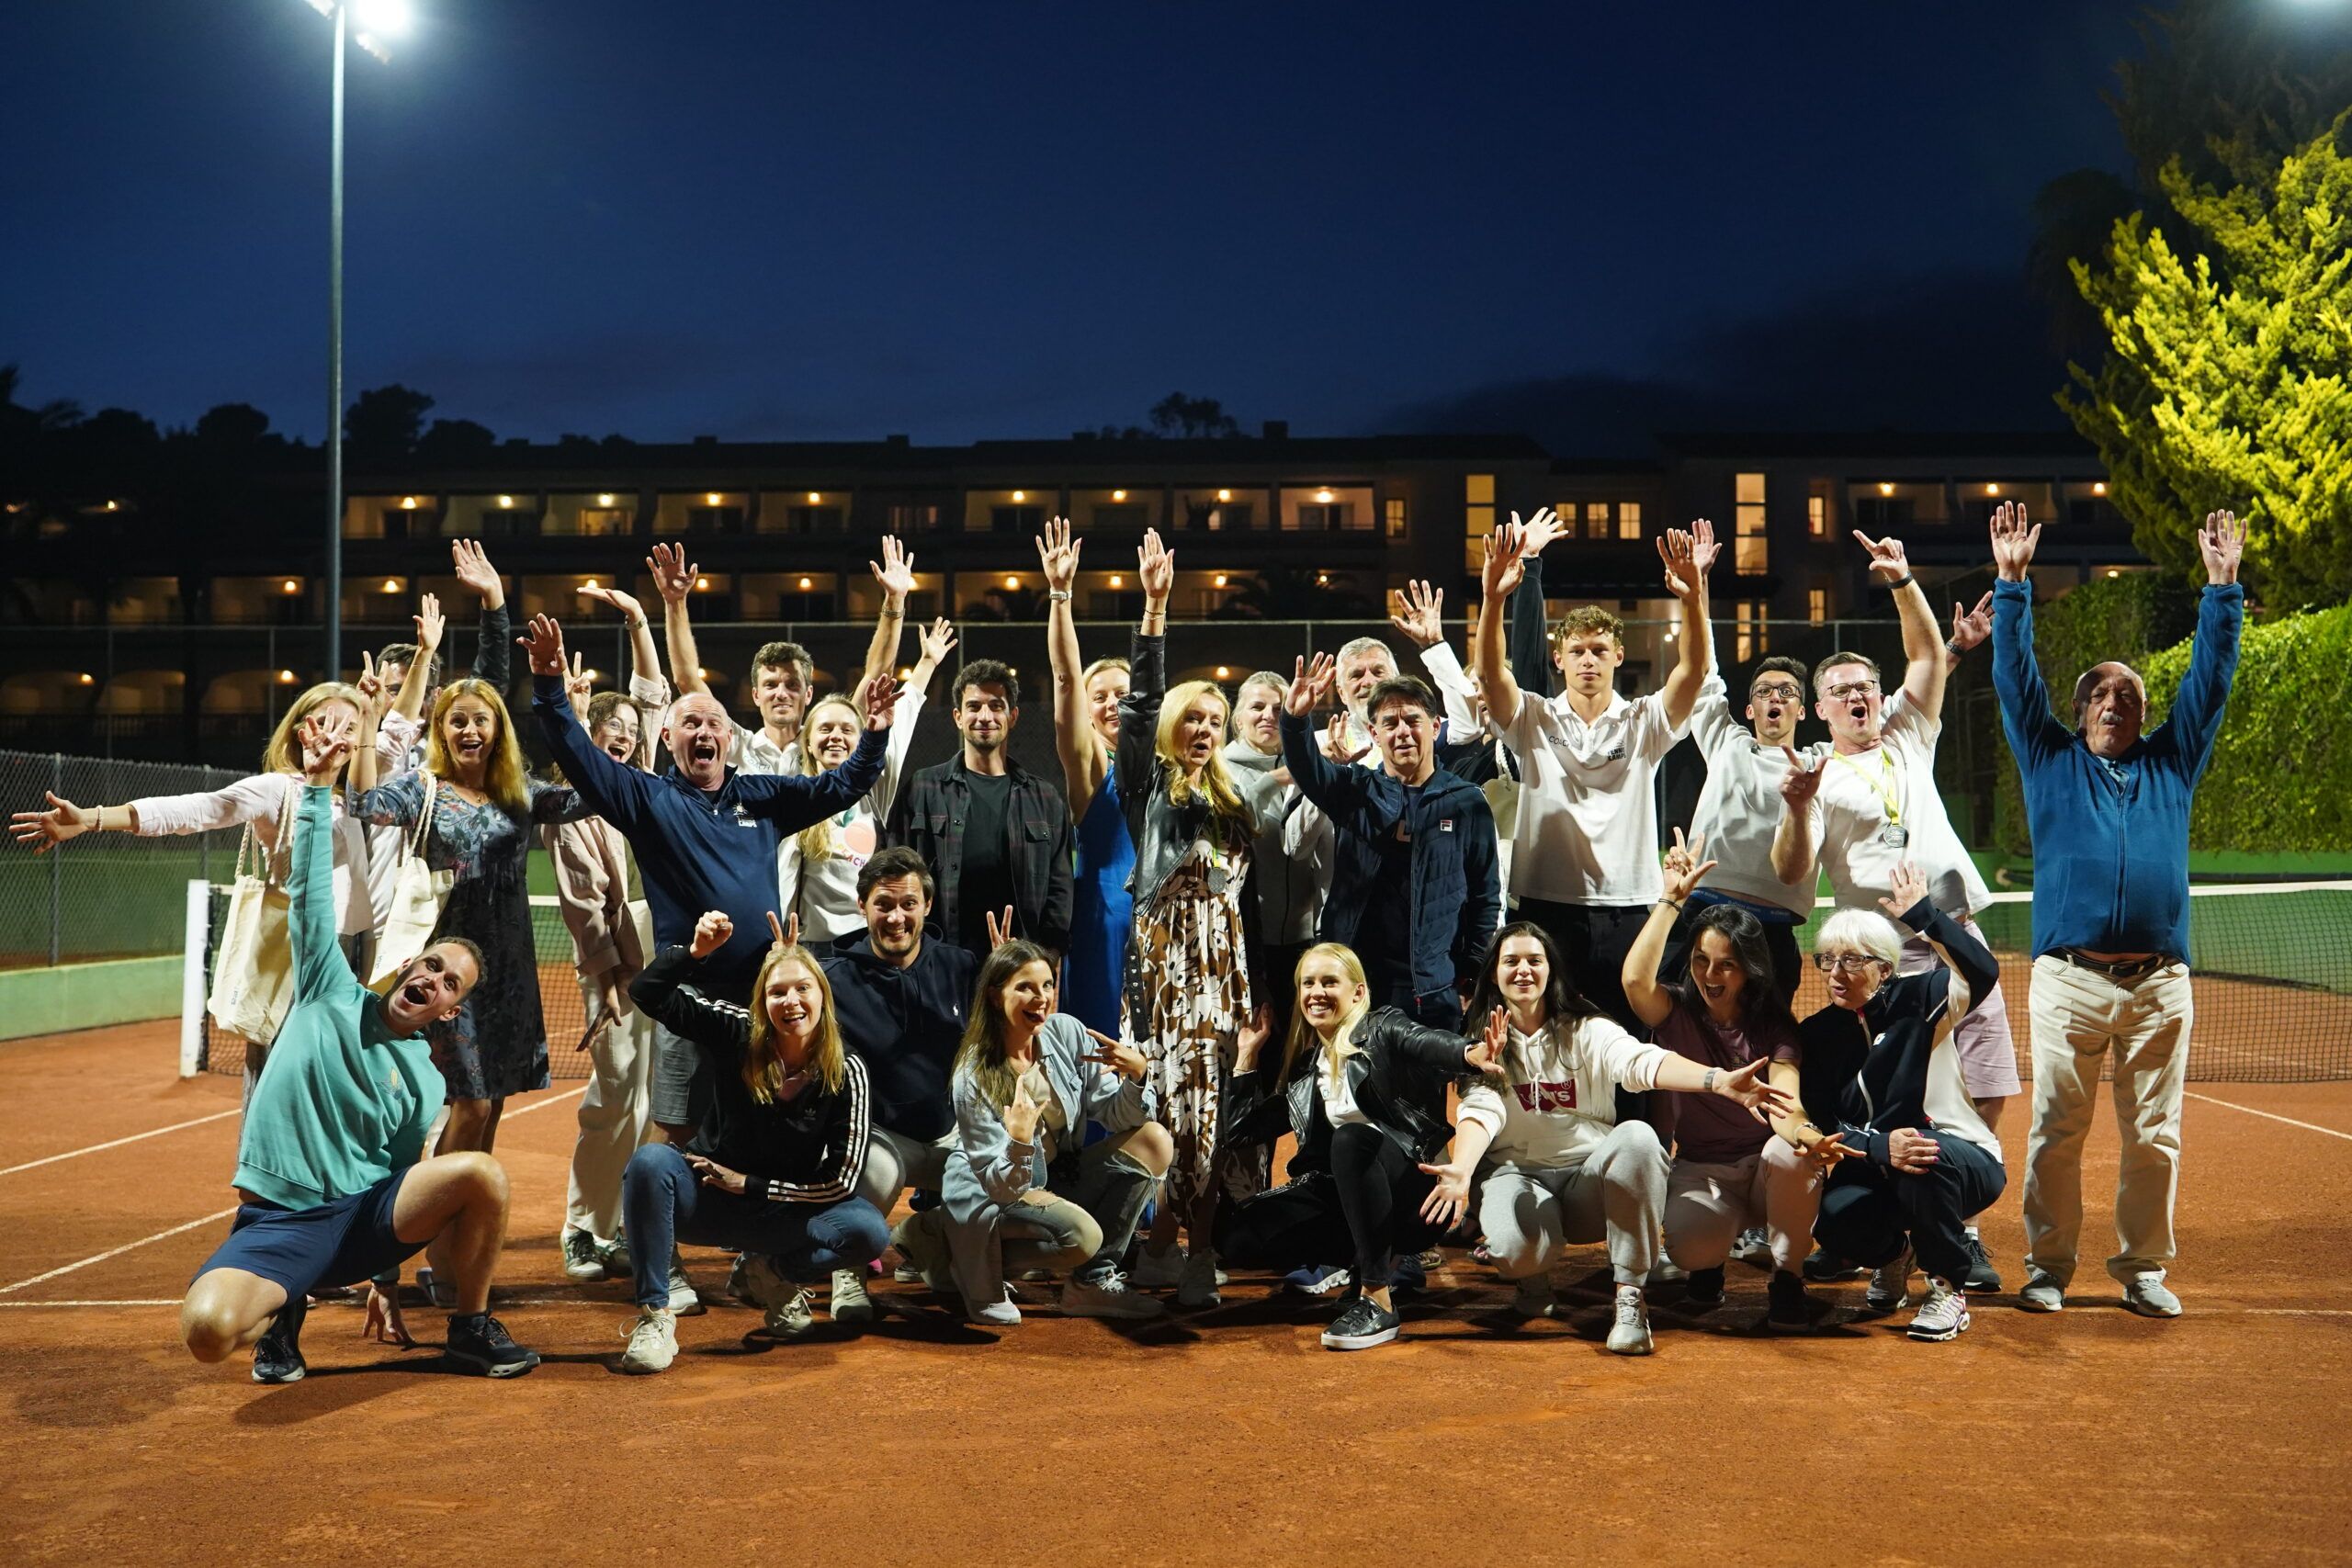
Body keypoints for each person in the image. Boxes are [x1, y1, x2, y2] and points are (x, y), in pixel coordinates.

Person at [177, 717, 535, 1382]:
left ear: (448, 1010)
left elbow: (395, 1179)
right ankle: (282, 1310)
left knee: (480, 1172)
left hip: (360, 1222)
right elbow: (312, 893)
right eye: (431, 965)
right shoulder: (328, 989)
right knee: (208, 1332)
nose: (433, 979)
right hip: (282, 1223)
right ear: (410, 966)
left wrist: (385, 1281)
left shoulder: (426, 1079)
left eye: (449, 984)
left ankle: (470, 1328)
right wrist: (318, 788)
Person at [1991, 502, 2245, 1318]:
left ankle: (2141, 1269)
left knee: (2156, 1136)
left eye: (2128, 693)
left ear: (2144, 711)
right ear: (2077, 712)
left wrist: (2223, 590)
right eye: (2098, 691)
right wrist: (2011, 585)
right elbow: (2015, 679)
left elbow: (2210, 682)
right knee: (2054, 1133)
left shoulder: (2174, 761)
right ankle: (2047, 1267)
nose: (2113, 700)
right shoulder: (2047, 758)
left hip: (2160, 987)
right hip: (2070, 983)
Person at [522, 614, 893, 1158]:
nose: (703, 732)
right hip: (687, 997)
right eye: (690, 723)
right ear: (667, 738)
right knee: (675, 1126)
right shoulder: (647, 798)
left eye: (714, 723)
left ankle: (748, 1213)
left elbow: (843, 785)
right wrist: (550, 685)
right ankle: (656, 1210)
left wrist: (876, 733)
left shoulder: (762, 795)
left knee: (759, 1122)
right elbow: (577, 754)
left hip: (758, 996)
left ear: (726, 738)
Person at [1772, 526, 2018, 1292]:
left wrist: (1903, 581)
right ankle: (1886, 1220)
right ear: (1821, 708)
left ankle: (1957, 1217)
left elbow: (1925, 658)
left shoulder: (1910, 733)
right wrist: (1798, 808)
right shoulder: (1818, 775)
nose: (1858, 696)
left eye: (1866, 686)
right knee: (1883, 1095)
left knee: (1986, 1078)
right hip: (1880, 962)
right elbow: (1792, 869)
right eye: (1842, 689)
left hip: (1955, 936)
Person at [1419, 922, 1789, 1354]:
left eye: (1534, 960)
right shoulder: (1481, 1045)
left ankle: (1630, 1298)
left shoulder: (1587, 1028)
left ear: (1551, 970)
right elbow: (1481, 1109)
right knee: (1515, 1252)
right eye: (1511, 961)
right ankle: (1531, 1279)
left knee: (1638, 1138)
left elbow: (1640, 1061)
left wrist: (1716, 1079)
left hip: (1588, 1185)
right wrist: (1462, 1169)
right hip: (1517, 1177)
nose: (1523, 970)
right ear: (1494, 975)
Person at [11, 679, 379, 1098]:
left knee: (337, 1087)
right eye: (327, 722)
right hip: (295, 953)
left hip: (354, 949)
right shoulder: (279, 788)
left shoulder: (363, 800)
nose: (338, 734)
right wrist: (92, 818)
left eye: (352, 727)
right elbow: (197, 809)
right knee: (278, 1085)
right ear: (301, 731)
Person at [351, 674, 592, 1257]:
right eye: (457, 720)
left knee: (493, 1107)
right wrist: (367, 723)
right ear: (441, 730)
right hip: (448, 975)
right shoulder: (424, 789)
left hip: (509, 970)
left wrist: (575, 725)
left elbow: (587, 797)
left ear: (498, 730)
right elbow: (363, 803)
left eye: (481, 719)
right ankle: (429, 1243)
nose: (469, 730)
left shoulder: (520, 793)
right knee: (472, 1102)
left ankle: (460, 1240)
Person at [1114, 528, 1285, 1306]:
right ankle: (1169, 1245)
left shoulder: (1232, 800)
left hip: (1224, 976)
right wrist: (1155, 607)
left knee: (1211, 1118)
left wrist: (1256, 990)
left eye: (1214, 720)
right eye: (1193, 718)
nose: (1204, 729)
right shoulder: (1149, 788)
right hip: (1165, 977)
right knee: (1173, 1117)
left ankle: (1188, 1251)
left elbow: (1244, 896)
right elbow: (1140, 702)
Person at [616, 911, 889, 1371]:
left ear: (823, 996)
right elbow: (647, 993)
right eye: (777, 992)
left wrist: (752, 1185)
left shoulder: (846, 1070)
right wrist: (695, 953)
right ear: (762, 1003)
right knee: (650, 1163)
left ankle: (772, 1274)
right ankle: (655, 1316)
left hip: (780, 1212)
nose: (791, 1001)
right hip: (707, 1200)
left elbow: (841, 1181)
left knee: (867, 1230)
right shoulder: (738, 1031)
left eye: (803, 988)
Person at [1474, 511, 1712, 1034]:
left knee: (1630, 1041)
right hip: (1545, 905)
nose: (1588, 660)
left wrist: (1694, 598)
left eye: (1599, 650)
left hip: (1630, 906)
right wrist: (1492, 598)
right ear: (1558, 659)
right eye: (1576, 651)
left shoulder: (1644, 721)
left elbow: (1693, 671)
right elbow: (1491, 675)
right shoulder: (1533, 717)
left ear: (1618, 656)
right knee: (1548, 1038)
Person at [1213, 944, 1507, 1351]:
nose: (1317, 992)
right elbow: (1243, 1131)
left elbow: (1426, 1042)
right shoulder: (1306, 1071)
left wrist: (1471, 1053)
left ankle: (1376, 1297)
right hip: (1349, 1200)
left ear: (1357, 993)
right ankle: (1362, 1264)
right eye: (1308, 983)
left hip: (1417, 1198)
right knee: (1236, 1236)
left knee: (1352, 1138)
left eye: (1329, 982)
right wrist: (1247, 1057)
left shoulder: (1382, 1028)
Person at [1622, 832, 1841, 1329]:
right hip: (1703, 1169)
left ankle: (1788, 1278)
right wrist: (1670, 901)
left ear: (1749, 970)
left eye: (1726, 965)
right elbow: (1635, 981)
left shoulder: (1773, 1026)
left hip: (1764, 1171)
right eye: (1701, 961)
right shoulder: (1674, 1009)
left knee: (1790, 1154)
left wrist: (1807, 1136)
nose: (1710, 974)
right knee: (1690, 1249)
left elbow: (1788, 1104)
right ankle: (1709, 1265)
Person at [894, 939, 1170, 1324]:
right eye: (1025, 987)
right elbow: (1001, 1187)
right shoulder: (973, 1074)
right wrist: (1020, 1142)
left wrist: (1138, 1077)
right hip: (994, 1191)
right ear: (995, 997)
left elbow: (1114, 1114)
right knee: (1082, 1237)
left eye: (1047, 985)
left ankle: (1090, 1282)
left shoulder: (1066, 1032)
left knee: (1153, 1140)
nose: (1041, 998)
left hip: (1055, 1176)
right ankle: (951, 1241)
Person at [1799, 863, 2007, 1343]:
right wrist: (1879, 1147)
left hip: (1960, 1158)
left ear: (1885, 969)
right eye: (1828, 960)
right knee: (1837, 1222)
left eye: (1852, 960)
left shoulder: (1921, 998)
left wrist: (1925, 916)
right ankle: (1895, 1257)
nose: (1836, 973)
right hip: (1878, 1165)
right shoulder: (1817, 1034)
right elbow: (1826, 1120)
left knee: (1921, 1153)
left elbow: (1982, 971)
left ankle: (1948, 1287)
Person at [541, 588, 672, 1283]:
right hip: (612, 961)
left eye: (628, 727)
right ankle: (581, 1229)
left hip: (662, 949)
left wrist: (639, 621)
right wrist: (612, 980)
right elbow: (583, 905)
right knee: (614, 1094)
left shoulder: (643, 786)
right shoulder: (573, 806)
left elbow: (654, 696)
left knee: (651, 1099)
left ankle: (617, 1223)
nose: (622, 733)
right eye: (607, 726)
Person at [1280, 654, 1500, 1034]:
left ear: (1434, 727)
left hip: (1434, 988)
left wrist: (1474, 973)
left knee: (1432, 1074)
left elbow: (1485, 896)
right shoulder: (1355, 789)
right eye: (1390, 723)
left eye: (1413, 720)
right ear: (1374, 733)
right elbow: (1308, 770)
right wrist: (1295, 720)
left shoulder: (1467, 801)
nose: (1402, 732)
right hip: (1357, 985)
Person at [820, 845, 979, 1316]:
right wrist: (784, 971)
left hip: (948, 1133)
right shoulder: (832, 980)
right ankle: (848, 1275)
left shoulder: (961, 966)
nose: (896, 918)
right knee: (876, 1170)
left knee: (1003, 1166)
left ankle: (929, 1243)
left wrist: (1006, 969)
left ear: (927, 905)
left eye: (908, 904)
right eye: (883, 904)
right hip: (879, 1136)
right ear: (862, 905)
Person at [777, 615, 954, 951]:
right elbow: (783, 879)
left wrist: (927, 663)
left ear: (860, 741)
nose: (836, 737)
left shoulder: (873, 790)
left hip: (868, 942)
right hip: (814, 947)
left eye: (847, 730)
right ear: (808, 743)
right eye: (825, 729)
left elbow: (900, 721)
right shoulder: (796, 797)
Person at [886, 658, 1074, 958]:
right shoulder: (923, 788)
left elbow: (1060, 888)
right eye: (974, 707)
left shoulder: (1044, 798)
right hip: (939, 957)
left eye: (996, 706)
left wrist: (1049, 955)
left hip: (1020, 962)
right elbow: (896, 870)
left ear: (1013, 716)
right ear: (958, 717)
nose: (985, 716)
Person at [1036, 516, 1136, 1037]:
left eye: (1123, 693)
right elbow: (1065, 679)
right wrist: (1061, 594)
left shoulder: (1168, 765)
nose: (1112, 703)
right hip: (1104, 917)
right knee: (1099, 1048)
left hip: (1168, 919)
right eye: (1100, 696)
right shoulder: (1093, 763)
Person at [1222, 670, 1331, 1050]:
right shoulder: (1221, 768)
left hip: (1304, 934)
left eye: (1277, 708)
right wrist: (1272, 781)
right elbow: (1235, 832)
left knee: (1302, 1043)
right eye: (1257, 707)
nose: (1268, 715)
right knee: (1258, 1041)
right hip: (1248, 938)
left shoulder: (1307, 763)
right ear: (1238, 719)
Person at [373, 538, 512, 772]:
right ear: (377, 693)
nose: (410, 698)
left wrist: (493, 598)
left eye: (421, 690)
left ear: (437, 696)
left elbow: (488, 684)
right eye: (396, 690)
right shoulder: (356, 747)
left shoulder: (456, 747)